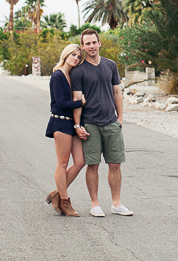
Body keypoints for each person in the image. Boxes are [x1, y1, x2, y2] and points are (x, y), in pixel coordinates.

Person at [72, 29, 133, 217]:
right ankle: (95, 204)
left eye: (94, 42)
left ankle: (116, 204)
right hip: (90, 123)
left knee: (115, 164)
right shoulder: (78, 70)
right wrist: (77, 124)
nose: (91, 46)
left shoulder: (111, 65)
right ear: (82, 47)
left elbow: (117, 93)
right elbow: (77, 99)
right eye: (87, 43)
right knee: (93, 164)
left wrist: (120, 118)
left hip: (111, 122)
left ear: (100, 43)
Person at [44, 44, 90, 217]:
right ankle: (64, 200)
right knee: (62, 162)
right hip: (60, 123)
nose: (76, 58)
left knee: (80, 161)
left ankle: (55, 194)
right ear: (66, 54)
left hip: (72, 124)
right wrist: (81, 103)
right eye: (73, 55)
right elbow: (61, 103)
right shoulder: (57, 76)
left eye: (78, 57)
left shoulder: (72, 75)